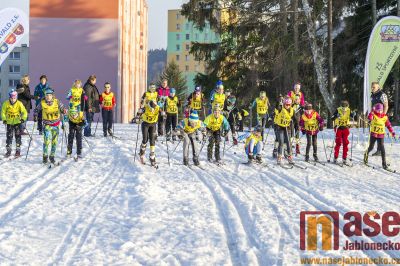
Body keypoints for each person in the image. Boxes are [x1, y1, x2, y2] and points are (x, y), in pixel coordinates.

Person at [34, 88, 67, 164]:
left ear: (52, 96)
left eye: (50, 95)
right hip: (47, 125)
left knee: (54, 141)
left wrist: (64, 111)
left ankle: (52, 156)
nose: (48, 97)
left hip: (56, 125)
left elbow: (62, 109)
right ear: (45, 96)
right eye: (47, 95)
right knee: (46, 141)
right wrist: (35, 115)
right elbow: (36, 110)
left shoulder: (57, 102)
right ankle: (45, 156)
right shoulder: (42, 103)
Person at [364, 103, 394, 170]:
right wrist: (371, 113)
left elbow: (388, 125)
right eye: (378, 110)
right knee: (371, 147)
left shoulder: (384, 117)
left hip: (381, 135)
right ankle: (365, 156)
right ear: (376, 110)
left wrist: (392, 132)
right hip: (374, 134)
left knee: (382, 148)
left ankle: (384, 163)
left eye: (381, 110)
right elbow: (369, 118)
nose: (379, 111)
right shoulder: (373, 115)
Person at [1, 89, 27, 157]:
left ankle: (18, 150)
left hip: (17, 122)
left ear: (16, 97)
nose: (13, 99)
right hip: (9, 122)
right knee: (9, 136)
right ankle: (8, 150)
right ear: (9, 97)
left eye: (14, 98)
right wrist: (4, 119)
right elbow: (3, 112)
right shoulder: (6, 103)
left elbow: (24, 112)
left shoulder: (19, 103)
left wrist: (23, 119)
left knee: (18, 136)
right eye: (11, 98)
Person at [331, 100, 355, 165]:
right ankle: (335, 157)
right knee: (338, 143)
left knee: (345, 143)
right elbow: (332, 118)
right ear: (341, 106)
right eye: (343, 108)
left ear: (348, 106)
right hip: (338, 128)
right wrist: (336, 116)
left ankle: (344, 158)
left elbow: (353, 116)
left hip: (345, 128)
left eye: (345, 108)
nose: (344, 109)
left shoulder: (349, 110)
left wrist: (353, 115)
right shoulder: (338, 110)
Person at [138, 100, 160, 167]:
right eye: (152, 108)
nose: (153, 109)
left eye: (154, 108)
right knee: (145, 140)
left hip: (153, 124)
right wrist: (139, 113)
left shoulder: (157, 108)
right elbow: (139, 112)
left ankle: (152, 157)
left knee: (152, 141)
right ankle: (141, 153)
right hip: (145, 124)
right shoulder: (146, 107)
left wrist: (163, 115)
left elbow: (162, 113)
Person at [274, 97, 295, 164]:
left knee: (289, 143)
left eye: (289, 104)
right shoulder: (281, 108)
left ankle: (290, 157)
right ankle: (279, 157)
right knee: (281, 142)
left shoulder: (292, 110)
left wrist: (299, 124)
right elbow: (277, 108)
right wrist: (278, 101)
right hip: (280, 127)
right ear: (284, 104)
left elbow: (295, 118)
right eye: (286, 104)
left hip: (287, 127)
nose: (287, 106)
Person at [370, 81, 389, 156]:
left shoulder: (382, 94)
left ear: (378, 87)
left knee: (380, 133)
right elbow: (373, 106)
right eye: (372, 87)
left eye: (374, 87)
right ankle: (378, 150)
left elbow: (386, 105)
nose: (372, 88)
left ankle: (380, 150)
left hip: (381, 117)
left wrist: (383, 116)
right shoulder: (372, 95)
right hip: (375, 117)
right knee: (375, 132)